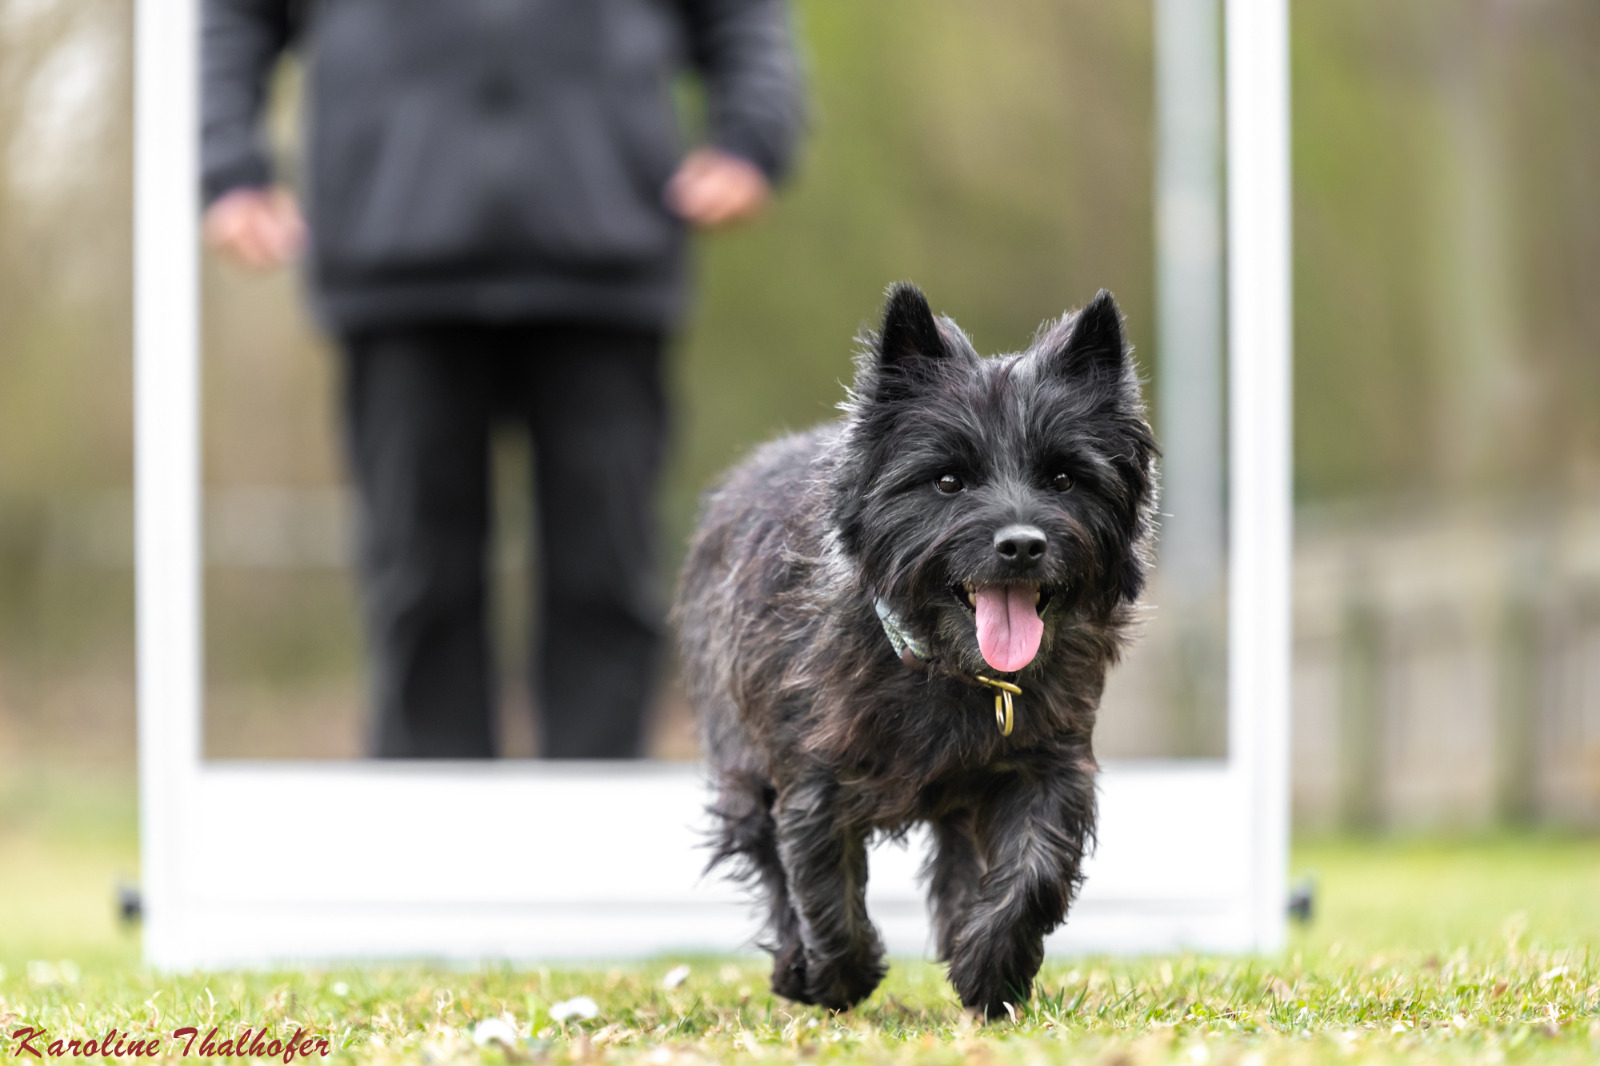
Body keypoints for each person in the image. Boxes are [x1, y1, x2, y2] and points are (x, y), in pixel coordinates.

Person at [201, 0, 804, 758]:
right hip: (393, 256)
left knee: (608, 579)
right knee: (417, 587)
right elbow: (233, 16)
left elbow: (741, 14)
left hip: (605, 256)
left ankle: (595, 819)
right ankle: (427, 823)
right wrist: (228, 165)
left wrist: (752, 135)